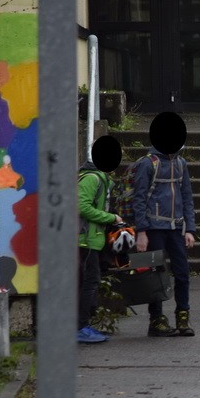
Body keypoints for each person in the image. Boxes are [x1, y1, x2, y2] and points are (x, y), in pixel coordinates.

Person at [133, 112, 197, 337]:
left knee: (182, 273)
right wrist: (141, 231)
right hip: (153, 228)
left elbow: (187, 197)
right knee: (156, 275)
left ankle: (183, 315)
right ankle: (156, 319)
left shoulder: (181, 163)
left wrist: (190, 229)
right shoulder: (147, 164)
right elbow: (138, 198)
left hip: (176, 228)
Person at [77, 135, 125, 344]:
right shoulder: (92, 178)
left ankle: (82, 325)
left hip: (90, 240)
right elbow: (81, 206)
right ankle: (80, 327)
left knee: (87, 282)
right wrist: (110, 217)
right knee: (90, 282)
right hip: (85, 241)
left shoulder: (98, 178)